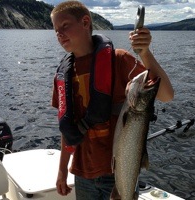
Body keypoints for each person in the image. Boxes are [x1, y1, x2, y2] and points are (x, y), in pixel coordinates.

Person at [50, 1, 174, 200]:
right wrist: (62, 169)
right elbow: (67, 129)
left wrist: (144, 52)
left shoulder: (119, 60)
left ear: (85, 22)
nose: (59, 34)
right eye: (56, 30)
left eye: (65, 26)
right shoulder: (62, 76)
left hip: (119, 173)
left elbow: (167, 95)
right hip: (82, 173)